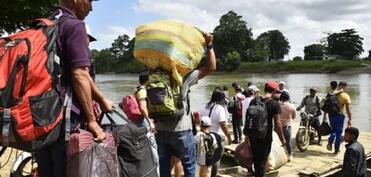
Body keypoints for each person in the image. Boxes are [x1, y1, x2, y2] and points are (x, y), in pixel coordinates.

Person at [34, 1, 114, 177]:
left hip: (40, 114)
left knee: (45, 170)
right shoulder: (75, 25)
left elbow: (76, 72)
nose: (91, 8)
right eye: (90, 1)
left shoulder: (45, 23)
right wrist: (92, 121)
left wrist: (101, 99)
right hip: (64, 119)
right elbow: (79, 74)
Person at [155, 33, 216, 177]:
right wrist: (209, 45)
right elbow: (211, 67)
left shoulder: (154, 75)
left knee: (164, 167)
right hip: (181, 130)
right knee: (189, 165)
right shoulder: (184, 76)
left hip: (161, 130)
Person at [243, 80, 286, 177]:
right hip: (265, 137)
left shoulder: (254, 100)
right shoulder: (274, 103)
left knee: (255, 159)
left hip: (253, 135)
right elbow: (278, 124)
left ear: (264, 89)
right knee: (261, 163)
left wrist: (247, 135)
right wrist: (282, 139)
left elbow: (249, 118)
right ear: (274, 91)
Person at [200, 88, 232, 177]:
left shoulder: (205, 106)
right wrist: (228, 136)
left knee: (205, 160)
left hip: (205, 135)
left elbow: (200, 121)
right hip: (217, 137)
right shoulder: (219, 108)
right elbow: (223, 124)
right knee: (216, 159)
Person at [327, 81, 352, 154]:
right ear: (344, 86)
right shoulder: (345, 95)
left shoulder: (331, 93)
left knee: (333, 130)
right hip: (340, 116)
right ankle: (336, 149)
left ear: (338, 85)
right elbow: (348, 109)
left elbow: (326, 105)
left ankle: (330, 142)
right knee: (338, 133)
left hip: (331, 115)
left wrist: (325, 116)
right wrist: (350, 118)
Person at [279, 91, 296, 161]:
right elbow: (293, 117)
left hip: (278, 127)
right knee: (288, 142)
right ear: (288, 98)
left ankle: (280, 156)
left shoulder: (278, 106)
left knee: (279, 142)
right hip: (287, 126)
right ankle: (289, 155)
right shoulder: (291, 106)